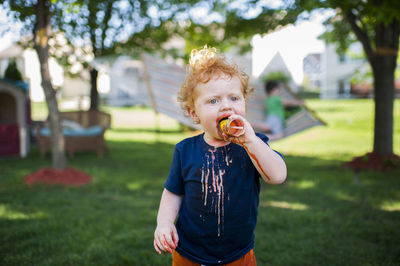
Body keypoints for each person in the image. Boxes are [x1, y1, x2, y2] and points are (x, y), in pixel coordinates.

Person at [153, 46, 287, 265]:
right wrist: (165, 223)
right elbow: (173, 192)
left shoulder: (253, 145)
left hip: (238, 253)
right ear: (194, 113)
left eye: (234, 98)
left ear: (244, 102)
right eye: (213, 101)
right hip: (189, 253)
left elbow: (278, 175)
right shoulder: (185, 149)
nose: (226, 106)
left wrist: (251, 141)